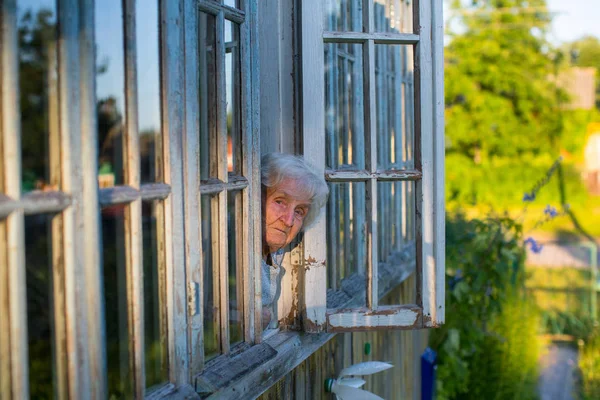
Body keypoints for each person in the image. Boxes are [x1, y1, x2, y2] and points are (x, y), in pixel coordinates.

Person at [261, 153, 329, 328]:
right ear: (256, 199)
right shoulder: (228, 245)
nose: (289, 220)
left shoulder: (274, 253)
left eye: (299, 211)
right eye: (280, 202)